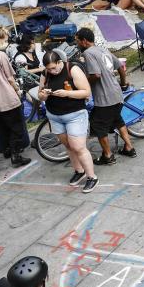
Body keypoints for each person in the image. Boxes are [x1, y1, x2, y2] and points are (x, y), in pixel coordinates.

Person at [38, 51, 97, 193]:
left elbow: (86, 92)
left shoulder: (72, 69)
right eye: (49, 69)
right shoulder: (46, 74)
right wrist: (43, 95)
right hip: (55, 115)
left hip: (75, 115)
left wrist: (67, 93)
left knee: (78, 147)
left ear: (60, 62)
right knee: (68, 146)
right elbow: (40, 95)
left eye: (54, 68)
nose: (52, 71)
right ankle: (79, 170)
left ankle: (92, 177)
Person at [75, 28, 136, 165]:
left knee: (98, 125)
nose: (77, 43)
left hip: (105, 99)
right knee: (117, 120)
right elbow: (120, 66)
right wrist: (123, 82)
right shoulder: (103, 50)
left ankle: (108, 155)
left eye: (77, 41)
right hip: (116, 94)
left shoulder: (88, 53)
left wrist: (84, 83)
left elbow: (96, 75)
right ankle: (129, 148)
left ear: (84, 41)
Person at [0, 29, 32, 168]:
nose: (6, 43)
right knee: (17, 128)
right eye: (5, 40)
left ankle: (8, 150)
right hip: (7, 96)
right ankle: (16, 156)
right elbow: (10, 77)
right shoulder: (0, 55)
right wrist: (17, 90)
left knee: (3, 126)